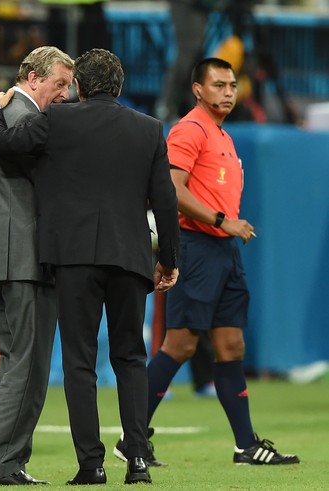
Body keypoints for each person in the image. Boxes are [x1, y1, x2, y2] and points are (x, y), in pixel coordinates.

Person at [0, 48, 181, 485]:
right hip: (130, 256)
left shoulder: (59, 120)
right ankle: (139, 461)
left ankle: (92, 465)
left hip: (73, 260)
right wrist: (169, 260)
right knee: (130, 357)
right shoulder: (149, 129)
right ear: (121, 86)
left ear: (81, 88)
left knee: (79, 363)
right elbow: (165, 200)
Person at [128, 57, 299, 466]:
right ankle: (132, 438)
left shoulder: (221, 134)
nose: (227, 91)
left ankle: (246, 445)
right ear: (198, 90)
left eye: (232, 85)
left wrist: (227, 229)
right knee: (181, 344)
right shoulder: (189, 129)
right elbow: (171, 189)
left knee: (231, 343)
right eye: (218, 84)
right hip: (198, 247)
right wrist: (224, 221)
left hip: (224, 251)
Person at [0, 45, 73, 487]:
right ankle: (0, 466)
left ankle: (9, 462)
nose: (65, 95)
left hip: (10, 254)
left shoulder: (6, 110)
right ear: (33, 78)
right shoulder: (21, 116)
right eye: (60, 84)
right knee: (25, 366)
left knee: (20, 362)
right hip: (23, 256)